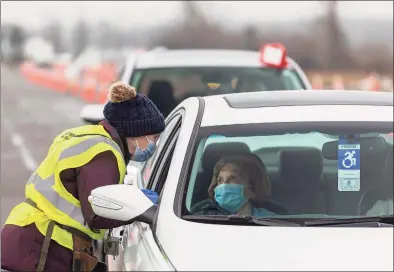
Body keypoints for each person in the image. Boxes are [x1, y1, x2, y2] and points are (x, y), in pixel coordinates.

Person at [1, 82, 165, 272]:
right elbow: (98, 213)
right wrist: (140, 210)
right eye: (154, 138)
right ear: (137, 132)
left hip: (30, 235)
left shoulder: (91, 137)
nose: (155, 144)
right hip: (43, 247)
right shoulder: (104, 154)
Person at [191, 154, 277, 217]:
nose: (224, 185)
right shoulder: (203, 216)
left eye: (233, 178)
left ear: (252, 189)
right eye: (220, 180)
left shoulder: (268, 218)